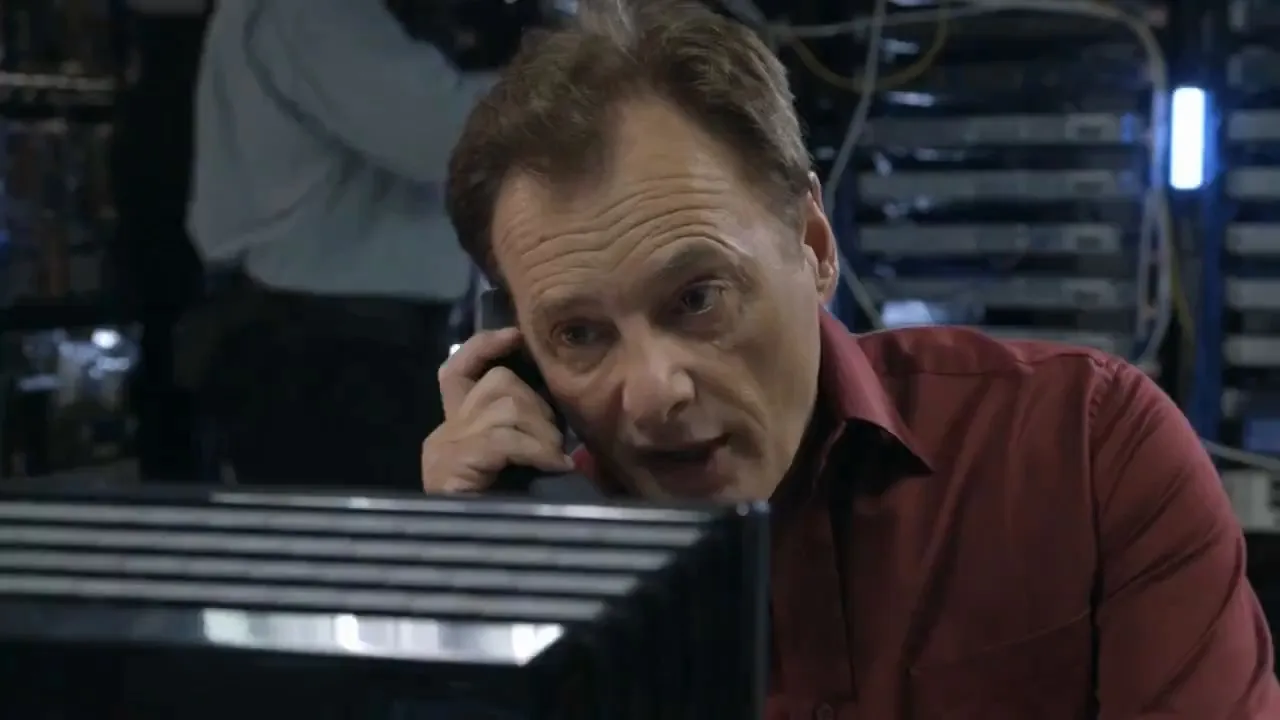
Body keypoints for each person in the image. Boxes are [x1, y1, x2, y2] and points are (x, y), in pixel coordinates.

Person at [422, 1, 1280, 717]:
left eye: (697, 298)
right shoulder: (547, 560)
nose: (653, 394)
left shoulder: (1085, 451)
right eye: (579, 335)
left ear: (815, 244)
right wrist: (470, 588)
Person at [184, 0, 495, 489]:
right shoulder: (315, 12)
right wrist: (556, 78)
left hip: (336, 340)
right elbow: (443, 136)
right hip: (329, 354)